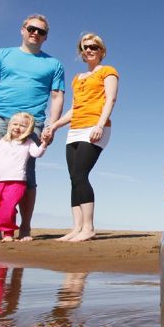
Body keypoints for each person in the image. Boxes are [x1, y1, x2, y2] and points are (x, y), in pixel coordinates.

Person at [0, 14, 65, 241]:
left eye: (41, 31)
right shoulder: (2, 54)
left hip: (32, 123)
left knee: (25, 176)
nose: (35, 33)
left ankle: (24, 227)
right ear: (23, 30)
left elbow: (56, 96)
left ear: (46, 37)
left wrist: (52, 126)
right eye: (31, 28)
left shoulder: (53, 64)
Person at [43, 32, 119, 241]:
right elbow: (75, 109)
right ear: (81, 52)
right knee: (73, 178)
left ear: (101, 51)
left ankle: (89, 228)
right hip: (75, 129)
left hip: (95, 127)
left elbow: (110, 100)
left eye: (93, 46)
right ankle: (76, 228)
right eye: (85, 47)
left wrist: (100, 125)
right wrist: (56, 125)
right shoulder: (77, 78)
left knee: (80, 175)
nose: (89, 50)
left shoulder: (108, 71)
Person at [0, 112, 48, 242]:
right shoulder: (3, 142)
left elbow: (37, 154)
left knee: (8, 207)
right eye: (15, 124)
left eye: (22, 125)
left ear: (29, 129)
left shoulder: (29, 142)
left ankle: (8, 233)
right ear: (9, 125)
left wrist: (44, 144)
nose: (17, 127)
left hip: (17, 182)